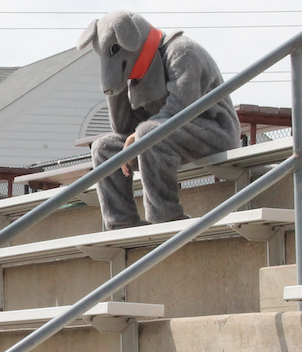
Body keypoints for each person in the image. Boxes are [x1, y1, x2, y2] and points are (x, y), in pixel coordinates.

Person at [77, 10, 240, 230]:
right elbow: (123, 128)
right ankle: (120, 222)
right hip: (165, 137)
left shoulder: (181, 51)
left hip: (214, 130)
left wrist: (139, 135)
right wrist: (115, 86)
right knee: (103, 148)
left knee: (147, 133)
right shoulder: (137, 73)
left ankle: (165, 216)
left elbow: (181, 108)